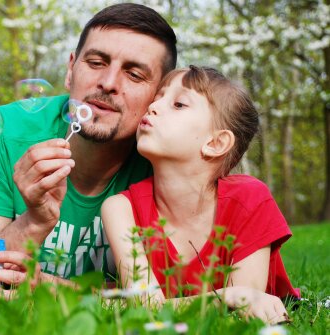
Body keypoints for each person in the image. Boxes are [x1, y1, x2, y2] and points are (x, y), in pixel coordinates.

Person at [0, 3, 177, 287]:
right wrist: (34, 222)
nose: (108, 82)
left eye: (134, 74)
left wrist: (52, 290)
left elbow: (168, 298)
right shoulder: (1, 132)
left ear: (159, 96)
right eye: (96, 63)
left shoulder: (168, 159)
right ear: (70, 70)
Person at [101, 66, 299, 324]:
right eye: (157, 97)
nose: (153, 106)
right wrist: (227, 295)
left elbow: (246, 310)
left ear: (215, 143)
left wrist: (238, 297)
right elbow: (146, 306)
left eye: (178, 104)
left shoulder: (249, 199)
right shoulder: (119, 208)